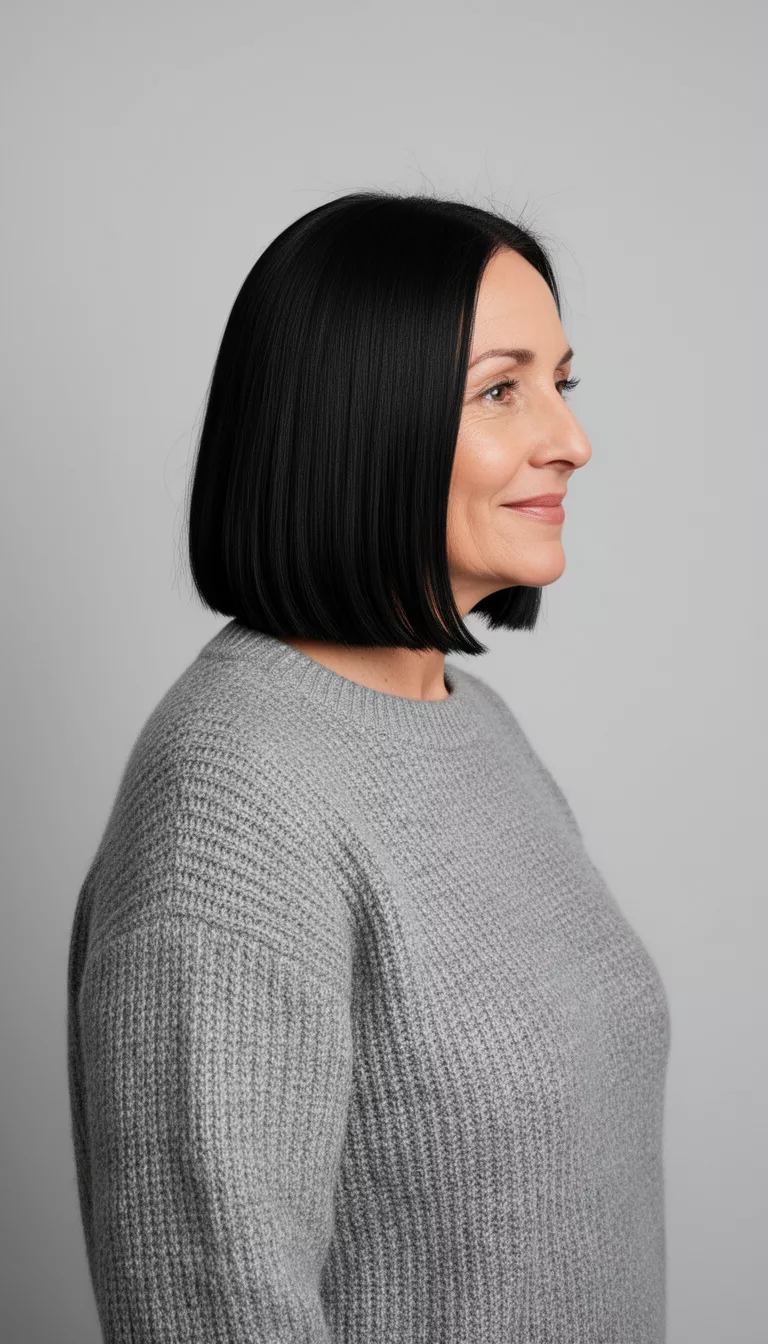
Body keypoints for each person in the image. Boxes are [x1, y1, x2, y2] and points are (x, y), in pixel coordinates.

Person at [66, 191, 670, 1343]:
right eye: (501, 391)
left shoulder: (474, 725)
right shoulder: (231, 801)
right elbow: (208, 1306)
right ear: (362, 419)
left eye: (562, 383)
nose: (571, 440)